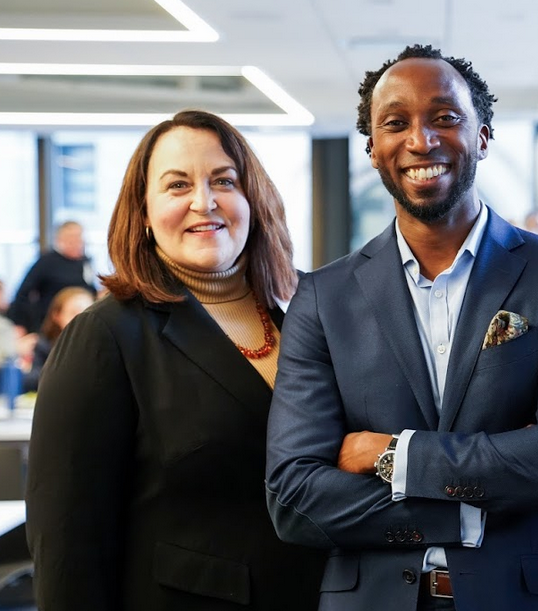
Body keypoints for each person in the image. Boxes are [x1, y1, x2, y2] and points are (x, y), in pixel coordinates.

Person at [266, 44, 538, 611]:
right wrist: (467, 507)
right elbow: (295, 495)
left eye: (445, 117)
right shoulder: (322, 299)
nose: (421, 140)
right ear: (373, 149)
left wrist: (393, 457)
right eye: (395, 123)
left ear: (482, 135)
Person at [25, 109, 325, 610]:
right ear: (143, 211)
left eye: (223, 181)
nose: (203, 202)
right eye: (176, 185)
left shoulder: (307, 317)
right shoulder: (105, 337)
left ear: (252, 197)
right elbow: (66, 544)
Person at [7, 220, 96, 333]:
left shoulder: (85, 262)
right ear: (59, 240)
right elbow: (23, 293)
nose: (77, 242)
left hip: (82, 323)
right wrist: (20, 324)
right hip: (51, 325)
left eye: (79, 238)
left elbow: (91, 289)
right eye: (71, 238)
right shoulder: (46, 262)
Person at [20, 286, 94, 393]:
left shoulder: (100, 345)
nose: (81, 321)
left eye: (87, 314)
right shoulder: (44, 344)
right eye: (74, 313)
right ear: (57, 315)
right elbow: (30, 380)